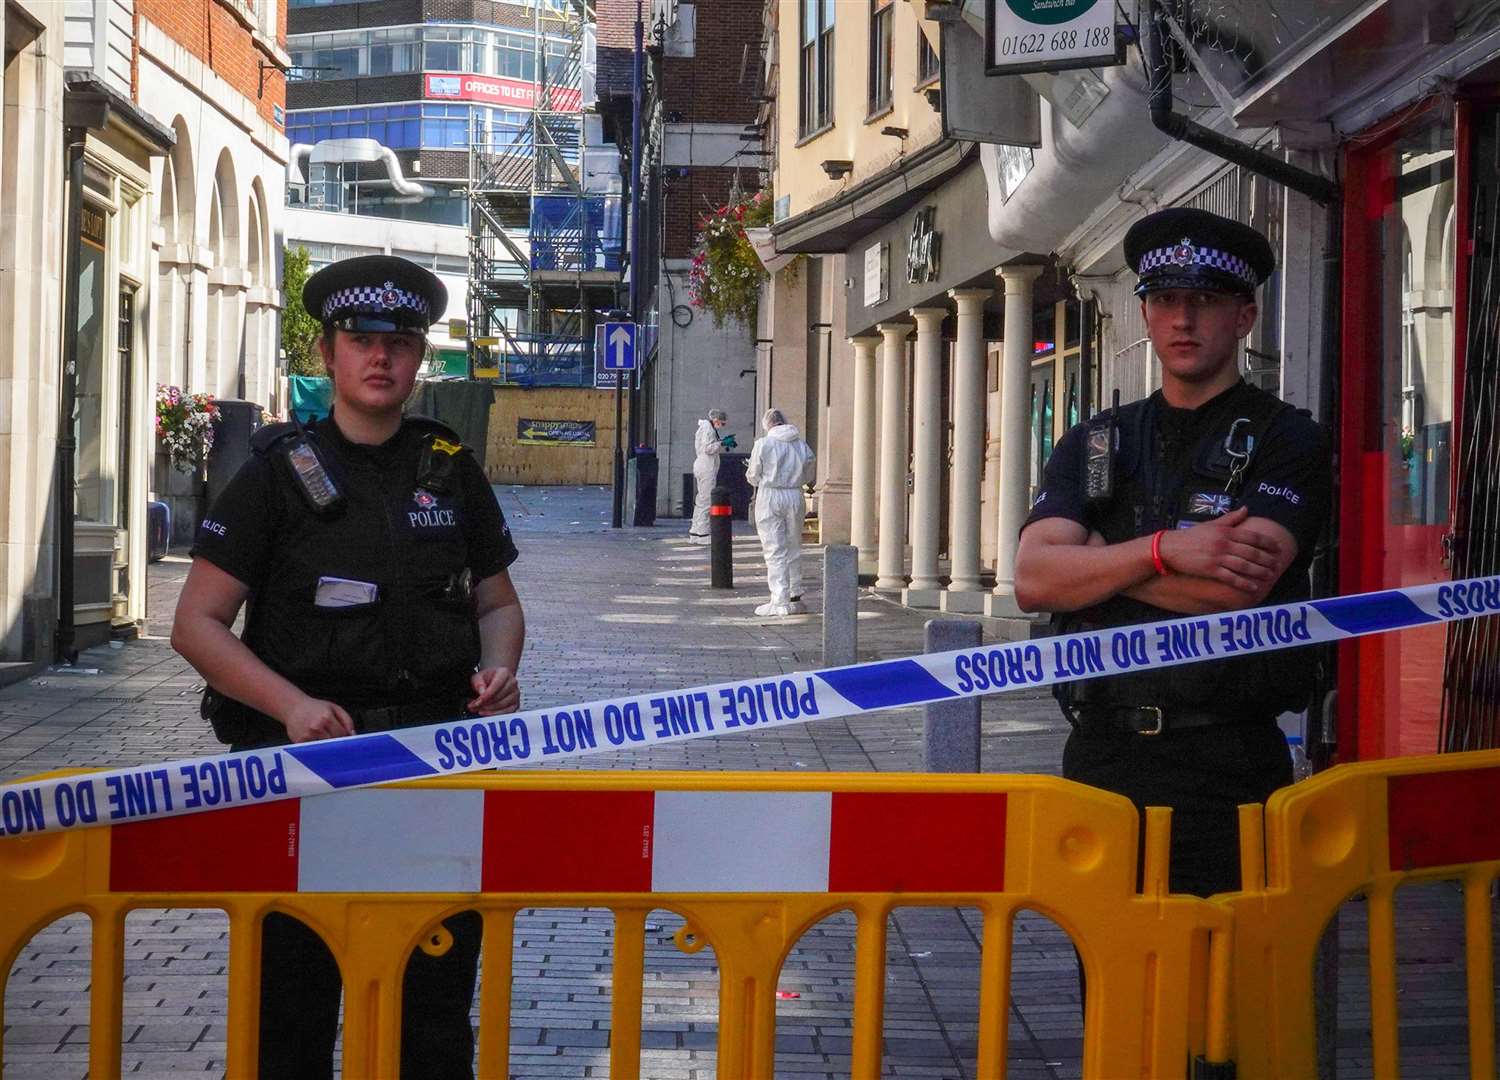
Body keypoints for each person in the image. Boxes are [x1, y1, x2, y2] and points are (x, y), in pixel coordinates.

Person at [171, 254, 525, 1078]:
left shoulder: (451, 467)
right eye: (360, 339)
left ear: (419, 357)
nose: (380, 357)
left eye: (400, 341)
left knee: (432, 1012)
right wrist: (290, 705)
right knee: (291, 1010)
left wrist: (499, 670)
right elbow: (197, 624)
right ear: (327, 352)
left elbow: (498, 606)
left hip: (433, 773)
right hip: (302, 776)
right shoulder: (273, 476)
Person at [1013, 207, 1331, 898]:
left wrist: (1096, 564)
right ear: (1147, 315)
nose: (1183, 320)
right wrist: (1166, 550)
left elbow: (1231, 591)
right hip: (1103, 755)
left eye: (1206, 301)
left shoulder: (1286, 440)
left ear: (1245, 318)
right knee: (1106, 986)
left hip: (1227, 760)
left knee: (1226, 984)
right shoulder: (1098, 442)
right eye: (1166, 301)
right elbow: (1035, 580)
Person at [746, 407, 815, 618]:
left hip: (771, 495)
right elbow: (809, 472)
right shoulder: (801, 445)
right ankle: (795, 594)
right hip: (794, 495)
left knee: (774, 548)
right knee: (793, 544)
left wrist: (759, 480)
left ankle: (779, 599)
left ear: (767, 424)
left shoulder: (764, 444)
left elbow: (753, 474)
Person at [689, 408, 730, 544]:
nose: (722, 426)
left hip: (703, 466)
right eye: (722, 424)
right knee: (706, 501)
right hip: (706, 467)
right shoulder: (708, 429)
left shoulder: (707, 428)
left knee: (701, 500)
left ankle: (695, 532)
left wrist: (720, 442)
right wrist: (722, 443)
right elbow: (708, 448)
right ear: (716, 420)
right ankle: (703, 535)